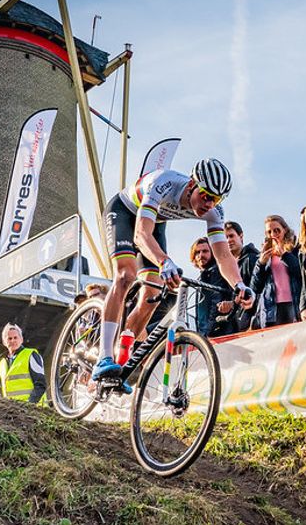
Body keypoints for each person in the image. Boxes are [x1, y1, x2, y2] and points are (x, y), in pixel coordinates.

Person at [92, 159, 254, 390]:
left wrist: (239, 284)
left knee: (153, 291)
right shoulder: (163, 183)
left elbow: (223, 256)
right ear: (191, 185)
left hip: (156, 221)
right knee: (126, 275)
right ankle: (103, 356)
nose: (209, 203)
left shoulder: (214, 212)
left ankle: (123, 356)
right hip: (125, 213)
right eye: (206, 195)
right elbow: (140, 234)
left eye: (217, 199)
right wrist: (164, 261)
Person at [250, 215, 302, 327]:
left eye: (277, 230)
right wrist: (261, 263)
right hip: (271, 309)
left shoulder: (295, 250)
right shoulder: (263, 255)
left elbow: (300, 273)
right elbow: (255, 287)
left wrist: (285, 255)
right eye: (269, 232)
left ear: (285, 230)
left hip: (293, 304)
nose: (273, 234)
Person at [214, 221, 259, 335]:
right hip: (236, 325)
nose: (228, 240)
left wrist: (233, 304)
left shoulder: (251, 259)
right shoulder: (226, 267)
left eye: (231, 236)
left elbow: (256, 290)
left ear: (241, 236)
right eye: (225, 238)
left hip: (252, 323)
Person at [0, 323, 46, 404]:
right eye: (9, 338)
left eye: (15, 338)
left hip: (34, 409)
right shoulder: (2, 363)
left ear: (21, 339)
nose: (13, 341)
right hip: (12, 411)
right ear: (4, 342)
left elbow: (40, 384)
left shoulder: (31, 355)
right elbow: (1, 391)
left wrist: (29, 405)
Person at [190, 237, 230, 336]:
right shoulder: (201, 277)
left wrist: (207, 332)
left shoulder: (216, 272)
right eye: (197, 252)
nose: (201, 255)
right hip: (206, 332)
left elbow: (215, 302)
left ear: (212, 253)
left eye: (205, 251)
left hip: (218, 332)